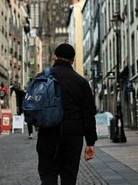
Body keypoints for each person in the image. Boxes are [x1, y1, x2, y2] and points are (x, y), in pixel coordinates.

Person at [36, 43, 97, 185]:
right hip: (73, 134)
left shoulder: (42, 78)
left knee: (48, 175)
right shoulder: (81, 82)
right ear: (73, 60)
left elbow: (33, 105)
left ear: (55, 57)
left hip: (48, 132)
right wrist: (90, 142)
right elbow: (88, 114)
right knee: (69, 176)